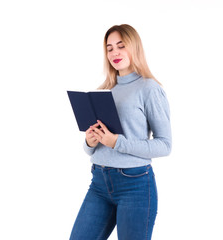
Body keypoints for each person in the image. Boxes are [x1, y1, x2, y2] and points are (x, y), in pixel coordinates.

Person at [69, 24, 172, 240]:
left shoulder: (149, 88)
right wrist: (90, 141)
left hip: (135, 185)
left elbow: (164, 145)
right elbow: (93, 149)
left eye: (121, 46)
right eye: (109, 48)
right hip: (99, 182)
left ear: (134, 47)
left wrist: (117, 142)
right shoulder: (105, 90)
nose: (114, 53)